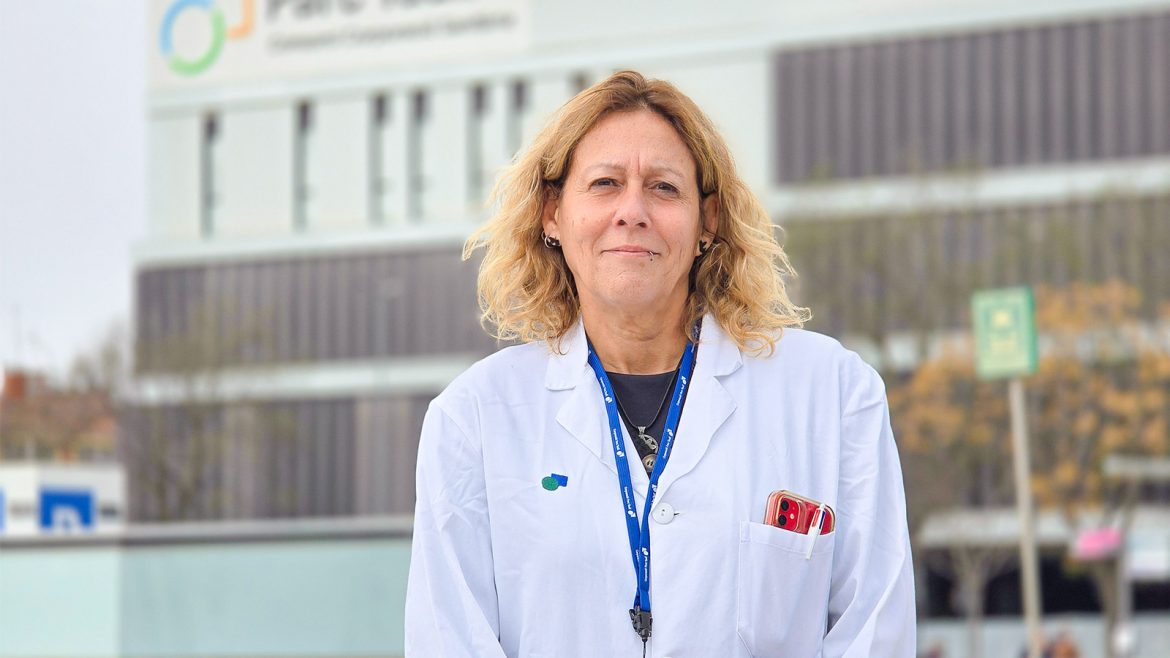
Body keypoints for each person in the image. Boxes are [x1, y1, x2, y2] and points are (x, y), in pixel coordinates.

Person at [405, 70, 916, 657]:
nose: (633, 210)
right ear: (552, 214)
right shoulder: (473, 419)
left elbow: (875, 632)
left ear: (708, 222)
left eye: (664, 188)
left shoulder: (832, 393)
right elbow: (449, 639)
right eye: (604, 183)